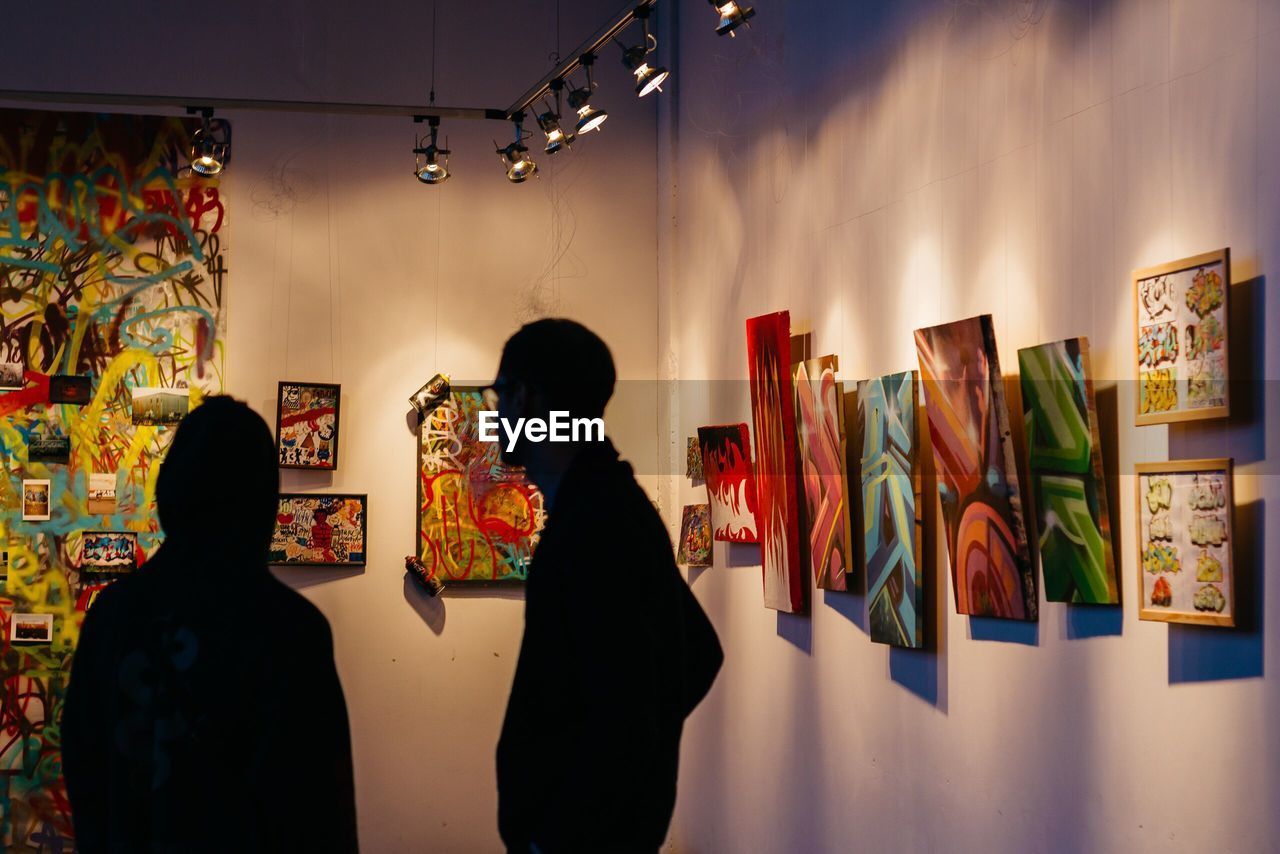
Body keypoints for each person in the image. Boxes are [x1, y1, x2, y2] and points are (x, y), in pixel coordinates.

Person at [62, 396, 358, 853]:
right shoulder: (293, 634)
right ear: (266, 505)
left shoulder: (112, 619)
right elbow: (321, 815)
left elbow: (86, 781)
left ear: (170, 494)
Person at [492, 319, 723, 853]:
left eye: (500, 393)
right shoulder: (606, 508)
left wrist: (560, 834)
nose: (496, 412)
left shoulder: (597, 525)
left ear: (528, 397)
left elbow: (626, 712)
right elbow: (697, 655)